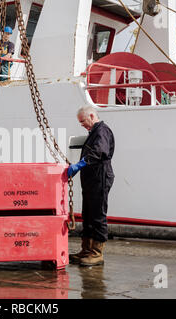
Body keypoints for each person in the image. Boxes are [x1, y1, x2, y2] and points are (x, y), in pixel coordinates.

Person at [67, 106, 115, 267]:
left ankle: (97, 253)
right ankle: (86, 250)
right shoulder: (94, 132)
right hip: (91, 179)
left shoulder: (102, 131)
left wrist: (79, 164)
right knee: (88, 214)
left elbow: (98, 152)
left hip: (99, 177)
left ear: (92, 115)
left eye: (83, 121)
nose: (82, 124)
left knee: (97, 215)